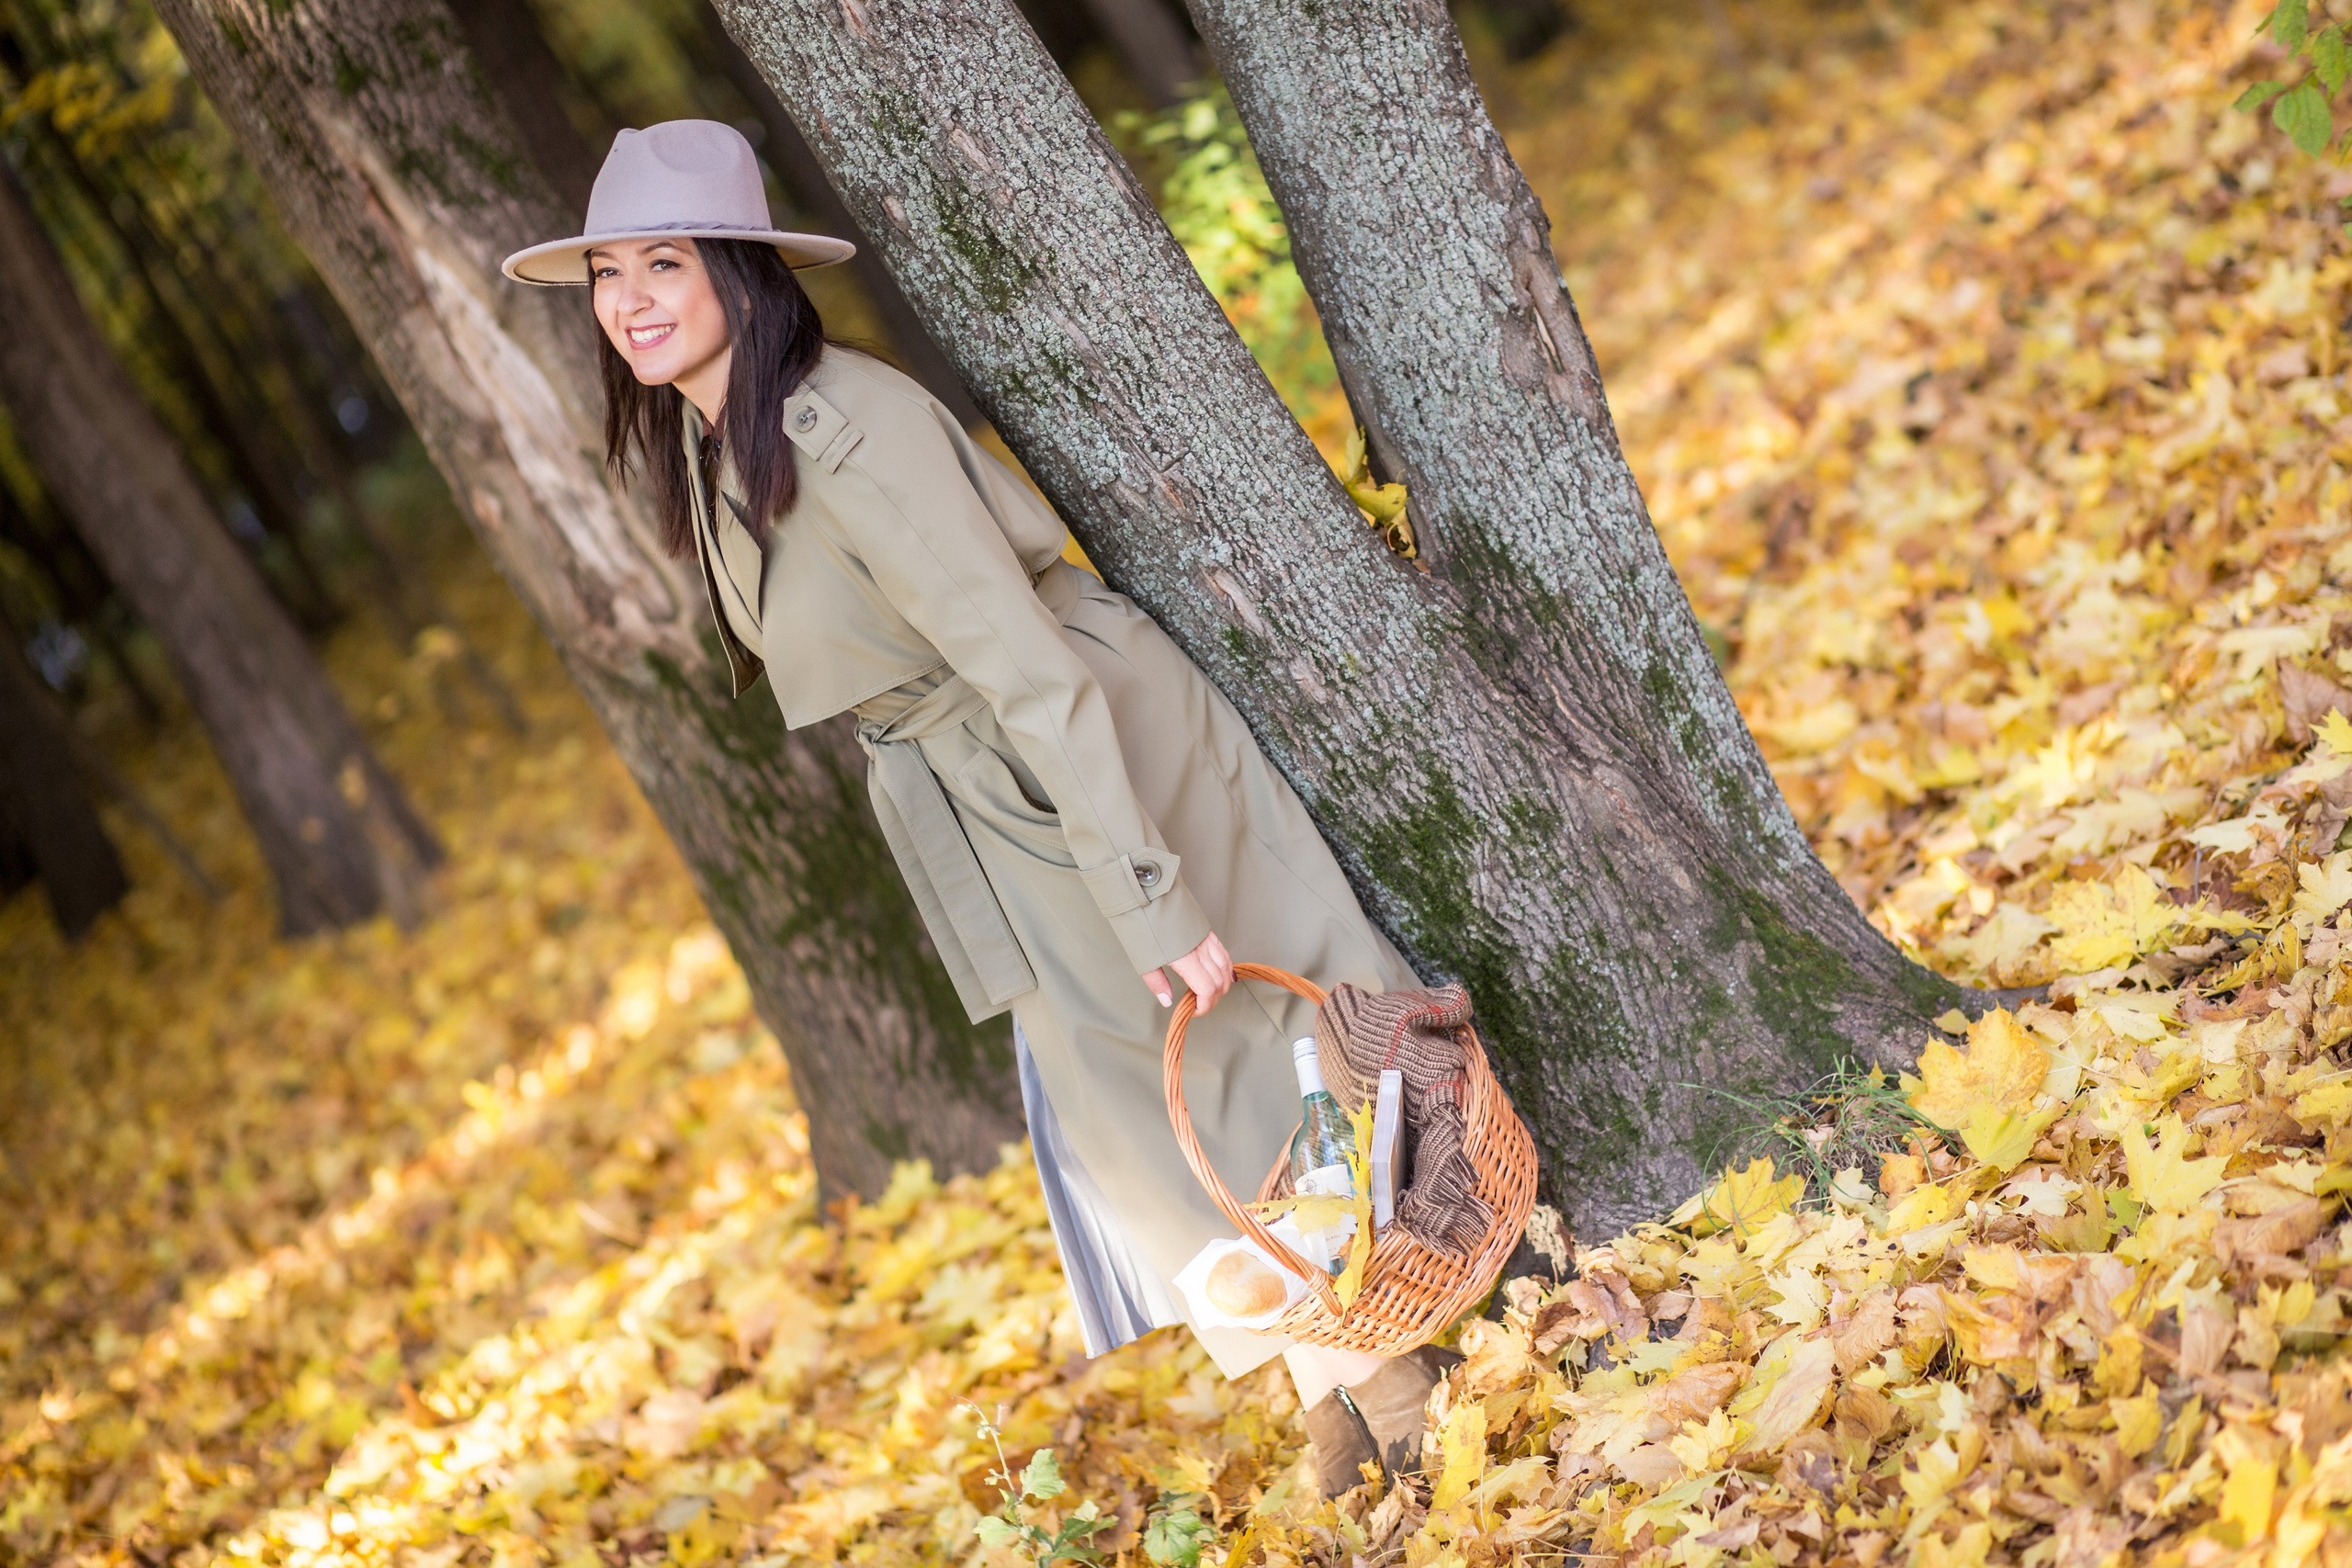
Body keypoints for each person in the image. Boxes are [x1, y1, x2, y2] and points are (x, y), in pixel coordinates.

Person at [503, 119, 1451, 1493]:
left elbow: (1027, 666)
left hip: (1065, 743)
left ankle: (1389, 1371)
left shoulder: (847, 429)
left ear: (742, 272)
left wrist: (1144, 884)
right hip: (976, 782)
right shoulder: (717, 446)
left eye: (663, 262)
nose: (630, 299)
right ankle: (1323, 1373)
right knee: (1138, 1096)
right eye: (605, 274)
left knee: (1228, 1041)